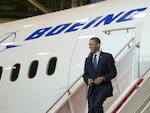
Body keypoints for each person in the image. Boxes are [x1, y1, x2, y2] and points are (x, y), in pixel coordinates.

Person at [83, 37, 117, 113]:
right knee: (91, 109)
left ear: (98, 45)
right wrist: (88, 79)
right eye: (89, 44)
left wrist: (103, 78)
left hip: (104, 87)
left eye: (91, 44)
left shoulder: (107, 57)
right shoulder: (88, 59)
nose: (90, 46)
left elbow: (113, 72)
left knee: (97, 105)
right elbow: (85, 75)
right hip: (92, 89)